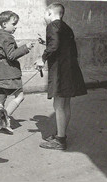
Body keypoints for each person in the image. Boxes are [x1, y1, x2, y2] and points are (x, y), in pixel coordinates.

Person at [35, 3, 87, 150]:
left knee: (58, 105)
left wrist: (42, 58)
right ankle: (61, 134)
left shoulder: (52, 26)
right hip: (70, 70)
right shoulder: (66, 27)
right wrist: (47, 42)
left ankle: (60, 140)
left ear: (50, 13)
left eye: (45, 15)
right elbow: (62, 45)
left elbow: (55, 45)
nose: (44, 18)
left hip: (61, 72)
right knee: (65, 104)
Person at [0, 11, 34, 134]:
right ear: (4, 24)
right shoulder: (7, 38)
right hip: (9, 72)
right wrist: (26, 48)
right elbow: (11, 55)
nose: (16, 26)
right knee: (20, 96)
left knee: (2, 97)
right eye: (14, 24)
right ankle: (3, 121)